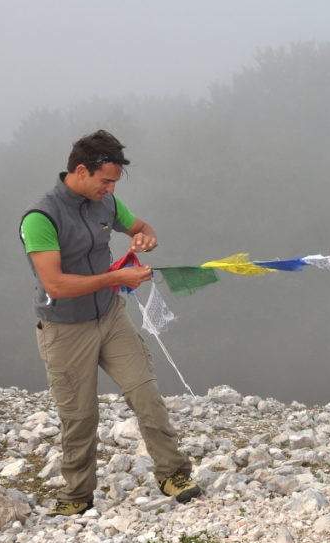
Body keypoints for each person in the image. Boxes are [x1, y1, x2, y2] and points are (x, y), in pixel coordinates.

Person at [19, 130, 202, 516]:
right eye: (106, 181)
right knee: (80, 416)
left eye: (114, 183)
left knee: (146, 394)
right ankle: (76, 496)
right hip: (65, 329)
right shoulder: (41, 217)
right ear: (81, 171)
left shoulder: (107, 203)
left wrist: (145, 238)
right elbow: (55, 283)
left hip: (110, 316)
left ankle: (174, 474)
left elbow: (141, 227)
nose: (110, 189)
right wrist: (117, 279)